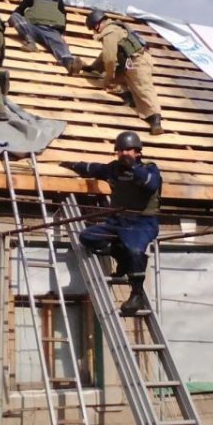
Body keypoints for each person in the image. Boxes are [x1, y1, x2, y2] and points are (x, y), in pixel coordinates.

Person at [60, 131, 161, 315]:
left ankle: (136, 294)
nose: (123, 154)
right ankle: (121, 256)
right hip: (118, 222)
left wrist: (134, 168)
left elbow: (151, 184)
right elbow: (94, 168)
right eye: (120, 151)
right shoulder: (114, 169)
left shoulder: (149, 169)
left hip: (142, 222)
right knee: (88, 237)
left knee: (136, 250)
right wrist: (73, 165)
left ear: (137, 152)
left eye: (128, 150)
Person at [85, 10, 164, 135]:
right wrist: (94, 67)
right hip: (129, 64)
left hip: (137, 62)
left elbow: (110, 59)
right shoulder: (116, 27)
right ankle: (128, 96)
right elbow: (107, 54)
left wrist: (110, 75)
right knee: (110, 82)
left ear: (97, 25)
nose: (94, 32)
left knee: (144, 89)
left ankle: (155, 120)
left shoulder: (109, 32)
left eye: (93, 29)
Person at [8, 0, 83, 75]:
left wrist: (61, 34)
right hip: (33, 27)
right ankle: (31, 43)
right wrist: (8, 23)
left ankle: (71, 66)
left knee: (61, 47)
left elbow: (62, 16)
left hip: (51, 31)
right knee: (14, 16)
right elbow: (19, 10)